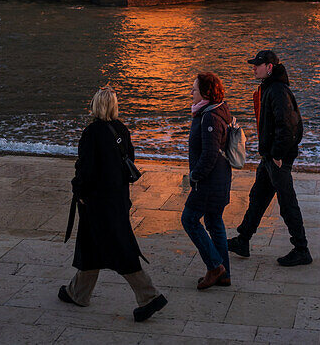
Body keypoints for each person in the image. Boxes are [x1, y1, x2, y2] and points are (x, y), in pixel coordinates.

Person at [59, 85, 167, 322]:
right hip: (118, 200)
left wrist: (78, 190)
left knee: (120, 251)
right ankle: (78, 293)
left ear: (95, 105)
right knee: (92, 247)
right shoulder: (121, 129)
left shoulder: (91, 134)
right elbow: (129, 159)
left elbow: (85, 170)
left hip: (97, 204)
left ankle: (150, 296)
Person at [227, 49, 312, 266]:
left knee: (287, 202)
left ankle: (302, 249)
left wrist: (277, 155)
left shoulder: (277, 90)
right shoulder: (268, 88)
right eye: (254, 64)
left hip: (277, 157)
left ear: (270, 67)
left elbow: (290, 126)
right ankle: (243, 240)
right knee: (258, 196)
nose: (253, 67)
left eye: (257, 64)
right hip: (269, 156)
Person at [181, 71, 233, 289]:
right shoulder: (215, 110)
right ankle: (224, 274)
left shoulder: (209, 117)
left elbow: (210, 153)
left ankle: (215, 267)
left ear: (205, 93)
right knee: (214, 222)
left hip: (209, 183)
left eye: (195, 88)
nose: (191, 91)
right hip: (220, 179)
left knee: (189, 219)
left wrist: (195, 176)